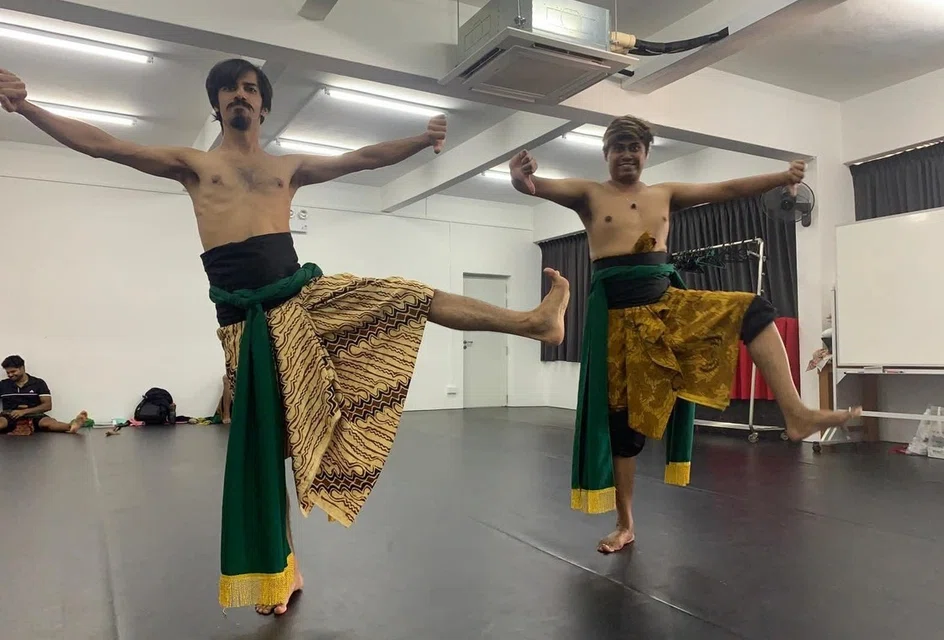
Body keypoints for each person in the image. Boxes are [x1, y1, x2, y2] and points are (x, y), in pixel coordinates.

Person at [0, 59, 569, 614]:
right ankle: (284, 567)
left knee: (405, 295)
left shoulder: (287, 168)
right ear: (217, 104)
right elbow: (104, 145)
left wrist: (421, 140)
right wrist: (28, 108)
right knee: (270, 445)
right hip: (243, 321)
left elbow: (360, 158)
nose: (239, 95)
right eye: (229, 89)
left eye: (250, 88)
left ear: (264, 105)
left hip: (300, 299)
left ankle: (532, 322)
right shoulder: (193, 165)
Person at [507, 115, 859, 554]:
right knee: (623, 425)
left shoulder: (665, 194)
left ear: (646, 153)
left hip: (667, 306)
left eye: (635, 147)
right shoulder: (589, 194)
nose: (627, 155)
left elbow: (726, 189)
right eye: (619, 147)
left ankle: (796, 412)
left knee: (753, 309)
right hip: (617, 320)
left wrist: (780, 177)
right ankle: (625, 524)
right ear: (606, 153)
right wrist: (520, 177)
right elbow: (533, 186)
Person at [0, 355, 86, 434]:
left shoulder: (38, 383)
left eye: (13, 371)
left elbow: (47, 405)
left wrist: (24, 412)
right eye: (8, 373)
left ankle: (72, 426)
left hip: (34, 415)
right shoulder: (3, 384)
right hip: (9, 416)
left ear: (22, 368)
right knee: (1, 423)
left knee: (47, 423)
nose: (10, 375)